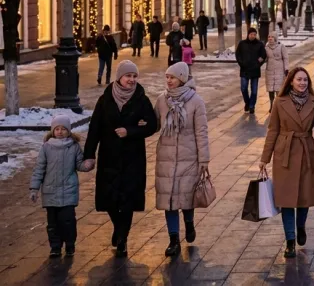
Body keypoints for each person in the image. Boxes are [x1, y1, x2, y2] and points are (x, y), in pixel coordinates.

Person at [82, 60, 158, 258]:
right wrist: (89, 155)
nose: (132, 80)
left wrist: (131, 131)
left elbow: (151, 125)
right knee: (109, 200)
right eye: (128, 76)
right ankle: (118, 227)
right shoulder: (105, 99)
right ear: (119, 78)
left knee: (128, 200)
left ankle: (123, 238)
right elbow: (94, 129)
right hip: (109, 157)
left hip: (133, 158)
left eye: (134, 76)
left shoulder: (141, 99)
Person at [261, 67, 314, 259]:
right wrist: (264, 159)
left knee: (304, 197)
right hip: (284, 154)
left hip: (305, 152)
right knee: (286, 200)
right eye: (299, 80)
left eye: (305, 80)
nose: (302, 83)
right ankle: (290, 241)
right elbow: (272, 130)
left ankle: (301, 225)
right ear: (291, 81)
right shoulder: (280, 101)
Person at [153, 62, 209, 257]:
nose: (169, 80)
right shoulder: (161, 100)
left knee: (186, 198)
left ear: (182, 79)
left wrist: (204, 160)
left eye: (173, 77)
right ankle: (174, 239)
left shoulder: (196, 101)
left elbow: (201, 132)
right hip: (166, 158)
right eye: (167, 77)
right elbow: (154, 124)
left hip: (189, 157)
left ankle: (189, 223)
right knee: (168, 201)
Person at [30, 115, 91, 257]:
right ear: (52, 131)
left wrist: (87, 165)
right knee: (52, 223)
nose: (60, 131)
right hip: (50, 191)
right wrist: (34, 188)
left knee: (68, 220)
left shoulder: (74, 146)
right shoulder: (46, 148)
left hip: (68, 191)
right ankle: (55, 247)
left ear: (69, 131)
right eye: (57, 129)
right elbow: (39, 168)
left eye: (63, 129)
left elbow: (79, 164)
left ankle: (70, 244)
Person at [235, 28, 268, 113]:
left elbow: (263, 55)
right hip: (244, 69)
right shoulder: (242, 44)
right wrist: (241, 63)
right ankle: (247, 102)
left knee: (254, 90)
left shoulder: (259, 44)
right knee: (243, 88)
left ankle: (251, 106)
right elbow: (238, 55)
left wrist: (258, 64)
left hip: (255, 70)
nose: (253, 36)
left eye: (254, 34)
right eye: (251, 34)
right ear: (248, 34)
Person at [265, 33, 289, 110]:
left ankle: (278, 105)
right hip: (270, 70)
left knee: (278, 89)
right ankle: (271, 104)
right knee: (270, 89)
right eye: (269, 37)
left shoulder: (281, 46)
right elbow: (264, 58)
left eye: (272, 37)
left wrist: (286, 69)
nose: (270, 38)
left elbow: (285, 58)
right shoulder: (266, 47)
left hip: (280, 70)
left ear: (275, 38)